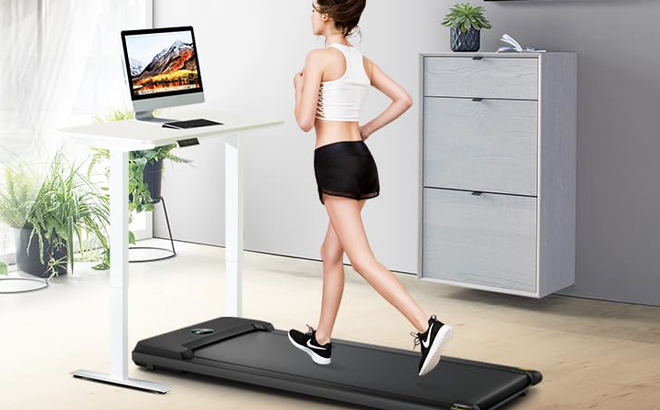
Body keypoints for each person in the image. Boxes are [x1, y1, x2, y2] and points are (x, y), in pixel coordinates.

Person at [287, 0, 453, 376]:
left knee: (361, 258)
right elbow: (404, 99)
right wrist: (365, 130)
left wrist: (297, 87)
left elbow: (302, 121)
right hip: (361, 159)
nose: (311, 16)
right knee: (331, 251)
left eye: (314, 9)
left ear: (327, 16)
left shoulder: (318, 58)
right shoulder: (363, 62)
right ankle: (322, 341)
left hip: (334, 162)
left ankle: (427, 326)